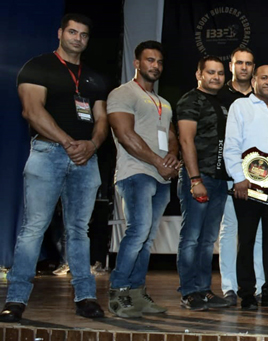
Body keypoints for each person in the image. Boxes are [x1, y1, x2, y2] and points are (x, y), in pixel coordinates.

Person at [1, 13, 107, 323]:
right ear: (60, 33)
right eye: (72, 32)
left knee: (79, 231)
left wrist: (92, 145)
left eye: (84, 34)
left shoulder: (94, 77)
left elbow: (102, 119)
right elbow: (31, 111)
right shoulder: (38, 66)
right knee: (34, 229)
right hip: (48, 153)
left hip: (86, 159)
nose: (78, 38)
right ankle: (16, 300)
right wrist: (69, 142)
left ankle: (85, 297)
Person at [107, 40, 178, 318]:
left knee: (147, 238)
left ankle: (137, 293)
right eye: (150, 60)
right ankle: (118, 291)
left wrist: (172, 157)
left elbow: (171, 136)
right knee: (137, 232)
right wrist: (159, 162)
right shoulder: (123, 93)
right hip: (136, 173)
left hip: (161, 177)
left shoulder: (163, 102)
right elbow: (125, 135)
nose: (155, 66)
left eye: (159, 62)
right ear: (137, 63)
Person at [224, 65, 268, 310]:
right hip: (248, 185)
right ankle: (246, 293)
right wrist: (238, 179)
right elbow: (232, 146)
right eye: (264, 78)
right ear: (254, 80)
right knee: (246, 239)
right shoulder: (240, 107)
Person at [174, 56, 231, 310]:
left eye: (220, 73)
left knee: (208, 240)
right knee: (191, 238)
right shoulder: (190, 100)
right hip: (199, 177)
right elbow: (186, 141)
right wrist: (195, 179)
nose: (216, 77)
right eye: (210, 72)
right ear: (199, 74)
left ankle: (204, 289)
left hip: (219, 180)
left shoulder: (223, 103)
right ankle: (188, 292)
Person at [216, 47, 262, 306]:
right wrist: (235, 174)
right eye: (239, 63)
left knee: (255, 233)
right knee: (229, 229)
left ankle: (256, 286)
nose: (244, 67)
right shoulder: (221, 95)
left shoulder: (263, 97)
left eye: (249, 63)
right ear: (231, 65)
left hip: (259, 176)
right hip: (228, 174)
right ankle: (228, 286)